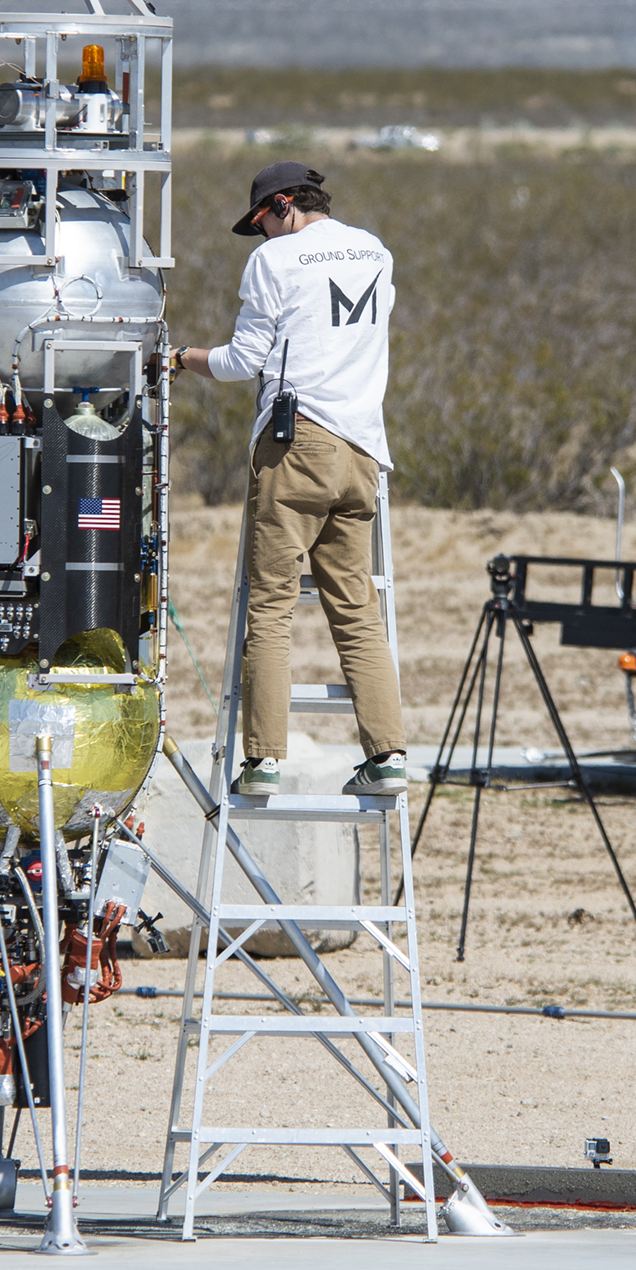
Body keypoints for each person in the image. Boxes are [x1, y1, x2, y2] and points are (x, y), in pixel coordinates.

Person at [170, 160, 406, 800]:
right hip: (363, 450)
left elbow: (242, 361)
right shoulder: (375, 252)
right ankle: (387, 754)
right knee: (357, 608)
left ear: (282, 206)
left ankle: (263, 761)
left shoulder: (274, 263)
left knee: (271, 606)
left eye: (261, 224)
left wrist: (180, 359)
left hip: (296, 442)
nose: (263, 236)